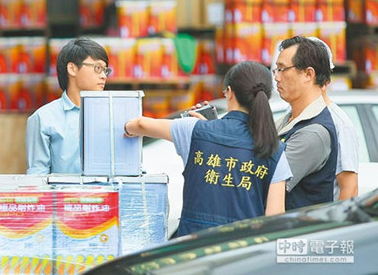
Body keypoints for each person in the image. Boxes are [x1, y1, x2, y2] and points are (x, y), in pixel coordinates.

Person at [124, 61, 292, 237]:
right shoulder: (275, 149)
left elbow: (141, 124)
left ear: (229, 92)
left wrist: (128, 129)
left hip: (195, 251)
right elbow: (274, 219)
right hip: (243, 253)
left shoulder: (193, 131)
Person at [272, 37, 359, 201]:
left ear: (309, 74)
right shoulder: (291, 114)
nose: (276, 77)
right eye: (276, 69)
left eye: (282, 69)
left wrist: (339, 226)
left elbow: (349, 188)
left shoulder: (335, 123)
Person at [26, 37, 111, 174]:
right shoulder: (43, 118)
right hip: (62, 195)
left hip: (105, 194)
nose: (103, 76)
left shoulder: (112, 115)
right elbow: (38, 175)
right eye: (98, 68)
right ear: (72, 69)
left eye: (105, 70)